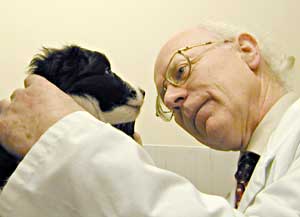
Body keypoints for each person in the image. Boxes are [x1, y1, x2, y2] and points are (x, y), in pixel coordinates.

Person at [0, 22, 299, 217]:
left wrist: (69, 141)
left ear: (246, 51)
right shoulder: (248, 183)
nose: (170, 100)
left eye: (180, 71)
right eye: (164, 97)